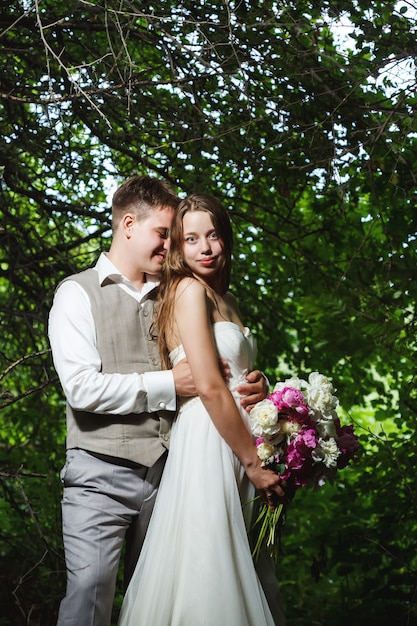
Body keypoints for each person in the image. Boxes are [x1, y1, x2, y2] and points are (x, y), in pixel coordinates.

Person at [48, 176, 270, 626]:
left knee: (164, 597)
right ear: (128, 224)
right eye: (164, 234)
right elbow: (82, 388)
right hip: (100, 471)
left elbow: (215, 365)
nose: (171, 245)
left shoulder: (174, 289)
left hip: (170, 470)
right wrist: (170, 383)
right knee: (91, 592)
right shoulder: (77, 293)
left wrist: (255, 386)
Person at [118, 193, 286, 626]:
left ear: (226, 239)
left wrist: (260, 382)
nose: (205, 247)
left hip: (239, 437)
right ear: (177, 246)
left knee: (245, 562)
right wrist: (252, 462)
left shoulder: (226, 298)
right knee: (210, 565)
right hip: (212, 439)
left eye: (213, 235)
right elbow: (210, 387)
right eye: (191, 239)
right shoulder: (189, 291)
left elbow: (235, 371)